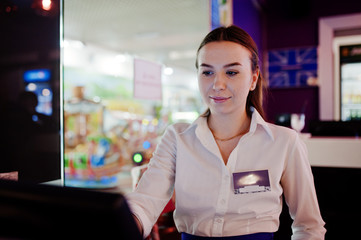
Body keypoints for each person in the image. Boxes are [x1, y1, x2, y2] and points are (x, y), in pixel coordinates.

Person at [126, 25, 326, 240]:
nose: (217, 84)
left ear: (253, 79)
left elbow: (309, 227)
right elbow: (144, 203)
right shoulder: (177, 138)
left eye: (231, 72)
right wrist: (123, 225)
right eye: (207, 72)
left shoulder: (284, 142)